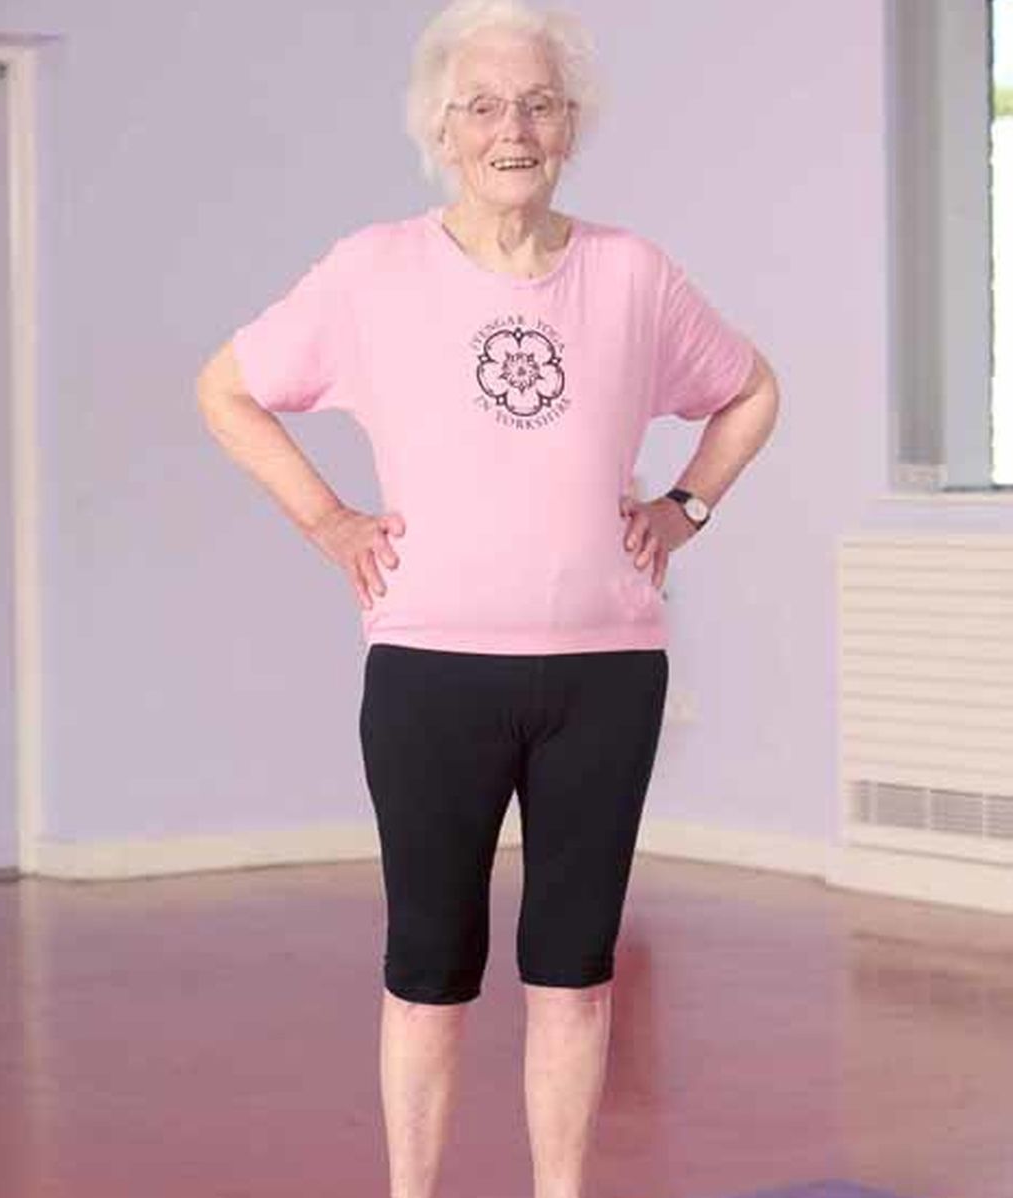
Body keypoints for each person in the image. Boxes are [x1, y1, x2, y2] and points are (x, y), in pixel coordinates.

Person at [196, 1, 780, 1195]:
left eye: (537, 103)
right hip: (431, 673)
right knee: (429, 966)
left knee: (575, 971)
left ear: (568, 125)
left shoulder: (632, 273)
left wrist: (685, 507)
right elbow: (227, 388)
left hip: (605, 675)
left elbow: (750, 389)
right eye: (483, 105)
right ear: (441, 130)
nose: (511, 127)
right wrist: (327, 520)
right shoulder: (372, 272)